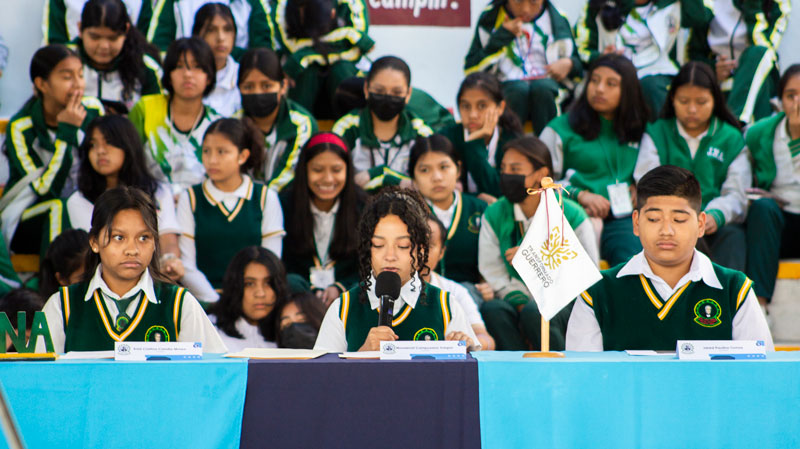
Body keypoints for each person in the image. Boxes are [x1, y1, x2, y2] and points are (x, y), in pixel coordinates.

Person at [566, 165, 773, 351]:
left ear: (701, 224)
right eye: (654, 219)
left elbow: (758, 374)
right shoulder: (597, 293)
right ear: (636, 223)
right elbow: (583, 378)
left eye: (679, 219)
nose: (666, 230)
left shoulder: (735, 290)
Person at [40, 186, 227, 353]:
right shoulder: (62, 306)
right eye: (119, 238)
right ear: (94, 242)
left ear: (155, 242)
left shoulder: (179, 304)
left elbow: (216, 372)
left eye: (144, 238)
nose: (132, 250)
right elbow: (37, 379)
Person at [314, 187, 481, 352]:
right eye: (378, 245)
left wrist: (465, 349)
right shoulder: (343, 308)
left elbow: (471, 373)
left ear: (421, 249)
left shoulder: (446, 306)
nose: (390, 256)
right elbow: (323, 376)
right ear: (367, 249)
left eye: (403, 246)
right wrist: (362, 355)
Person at [479, 136, 598, 350]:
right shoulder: (495, 213)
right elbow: (491, 269)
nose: (506, 175)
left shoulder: (571, 214)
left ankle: (563, 372)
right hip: (512, 296)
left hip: (564, 301)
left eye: (515, 169)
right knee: (493, 309)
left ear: (541, 174)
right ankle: (516, 373)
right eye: (504, 168)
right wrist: (518, 297)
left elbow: (586, 273)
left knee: (536, 311)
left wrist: (533, 260)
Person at [634, 61, 749, 271]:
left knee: (733, 236)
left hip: (713, 222)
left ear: (715, 100)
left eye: (701, 101)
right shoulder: (657, 133)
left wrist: (715, 215)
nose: (692, 109)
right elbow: (647, 181)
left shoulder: (731, 138)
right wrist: (682, 218)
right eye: (684, 101)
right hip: (668, 221)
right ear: (672, 99)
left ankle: (728, 301)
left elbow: (737, 193)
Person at [540, 53, 648, 266]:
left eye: (611, 84)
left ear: (628, 91)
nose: (599, 89)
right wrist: (579, 195)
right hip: (573, 213)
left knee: (630, 263)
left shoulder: (642, 130)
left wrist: (641, 187)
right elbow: (539, 184)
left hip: (623, 215)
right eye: (595, 80)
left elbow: (656, 172)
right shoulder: (560, 129)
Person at [1, 44, 104, 255]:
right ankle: (55, 284)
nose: (78, 85)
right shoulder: (21, 127)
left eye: (80, 75)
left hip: (83, 207)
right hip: (29, 215)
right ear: (42, 84)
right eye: (67, 77)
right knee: (60, 206)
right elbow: (45, 191)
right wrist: (66, 133)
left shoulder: (92, 109)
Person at [177, 118, 283, 303]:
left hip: (254, 301)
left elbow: (271, 262)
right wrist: (216, 303)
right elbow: (187, 265)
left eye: (222, 152)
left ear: (242, 156)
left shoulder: (265, 197)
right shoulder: (191, 198)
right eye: (206, 151)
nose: (212, 160)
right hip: (205, 300)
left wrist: (245, 301)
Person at [68, 115, 184, 281]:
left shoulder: (158, 191)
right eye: (93, 145)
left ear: (128, 145)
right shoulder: (79, 200)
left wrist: (170, 260)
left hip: (152, 276)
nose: (100, 151)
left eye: (108, 142)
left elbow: (167, 237)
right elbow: (97, 251)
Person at [464, 0, 582, 134]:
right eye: (518, 2)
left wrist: (569, 63)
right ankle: (509, 148)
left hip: (548, 87)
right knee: (517, 90)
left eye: (533, 2)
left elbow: (579, 67)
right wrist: (502, 36)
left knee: (543, 89)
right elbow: (471, 69)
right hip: (509, 88)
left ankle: (548, 150)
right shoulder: (491, 17)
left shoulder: (557, 18)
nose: (525, 9)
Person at [575, 0, 712, 115]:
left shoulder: (672, 4)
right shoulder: (598, 5)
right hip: (611, 71)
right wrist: (601, 57)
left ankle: (660, 142)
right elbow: (581, 50)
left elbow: (699, 17)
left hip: (658, 71)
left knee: (652, 88)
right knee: (602, 91)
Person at [279, 132, 365, 306]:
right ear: (305, 170)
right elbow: (281, 264)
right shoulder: (284, 205)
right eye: (317, 170)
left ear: (348, 170)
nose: (328, 179)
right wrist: (310, 290)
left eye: (336, 170)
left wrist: (340, 288)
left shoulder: (364, 207)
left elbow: (367, 266)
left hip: (348, 299)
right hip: (298, 300)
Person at [129, 37, 221, 196]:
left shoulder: (217, 124)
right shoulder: (145, 109)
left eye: (197, 67)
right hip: (149, 204)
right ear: (169, 75)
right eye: (179, 67)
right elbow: (128, 161)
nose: (187, 74)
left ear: (209, 77)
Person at [744, 64, 800, 308]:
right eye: (791, 96)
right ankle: (759, 305)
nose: (798, 102)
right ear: (780, 101)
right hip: (781, 222)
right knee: (763, 209)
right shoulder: (760, 133)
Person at [333, 56, 433, 191]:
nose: (387, 98)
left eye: (396, 92)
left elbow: (428, 184)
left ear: (408, 94)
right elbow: (333, 179)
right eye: (379, 91)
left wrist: (382, 175)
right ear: (366, 89)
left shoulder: (422, 133)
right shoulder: (346, 129)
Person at [408, 135, 489, 292]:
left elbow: (492, 261)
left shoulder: (479, 209)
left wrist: (488, 285)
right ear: (414, 179)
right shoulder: (407, 215)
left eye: (444, 167)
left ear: (458, 169)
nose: (437, 177)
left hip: (473, 292)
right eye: (425, 170)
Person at [688, 0, 789, 124]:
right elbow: (694, 54)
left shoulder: (779, 4)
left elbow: (764, 47)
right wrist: (713, 69)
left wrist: (753, 6)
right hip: (720, 79)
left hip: (761, 76)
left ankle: (733, 123)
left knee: (759, 53)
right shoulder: (711, 3)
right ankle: (734, 125)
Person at [273, 0, 373, 117]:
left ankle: (350, 128)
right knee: (303, 70)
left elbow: (354, 50)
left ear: (333, 14)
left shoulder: (352, 3)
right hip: (305, 71)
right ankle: (298, 128)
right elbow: (291, 46)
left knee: (341, 69)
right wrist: (347, 35)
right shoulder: (282, 3)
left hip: (343, 67)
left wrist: (305, 55)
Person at [237, 47, 317, 191]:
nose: (257, 93)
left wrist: (259, 200)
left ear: (283, 86)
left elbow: (289, 175)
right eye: (248, 87)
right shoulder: (233, 123)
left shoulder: (301, 124)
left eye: (266, 86)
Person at [439, 72, 523, 201]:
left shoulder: (513, 141)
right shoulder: (445, 138)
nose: (472, 115)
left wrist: (475, 145)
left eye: (482, 106)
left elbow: (503, 191)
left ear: (500, 108)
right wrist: (475, 199)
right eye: (466, 106)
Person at [76, 0, 163, 114]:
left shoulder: (146, 68)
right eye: (95, 37)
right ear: (80, 29)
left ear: (126, 30)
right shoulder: (63, 60)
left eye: (113, 38)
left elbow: (154, 119)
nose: (104, 46)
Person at [426, 215, 496, 350]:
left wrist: (470, 342)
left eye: (429, 245)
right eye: (413, 243)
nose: (421, 251)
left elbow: (486, 339)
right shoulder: (380, 288)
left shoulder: (455, 291)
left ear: (442, 252)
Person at [208, 246, 289, 352]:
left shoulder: (289, 327)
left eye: (268, 283)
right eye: (249, 284)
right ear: (234, 286)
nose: (260, 293)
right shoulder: (210, 330)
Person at [147, 0, 274, 53]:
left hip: (238, 78)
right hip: (189, 76)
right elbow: (158, 46)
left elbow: (264, 48)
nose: (220, 37)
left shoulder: (252, 3)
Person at [193, 3, 240, 116]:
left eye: (227, 29)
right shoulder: (186, 75)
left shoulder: (242, 74)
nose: (221, 38)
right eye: (211, 30)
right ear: (197, 34)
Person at [43, 0, 152, 44]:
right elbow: (55, 40)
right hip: (76, 68)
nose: (104, 46)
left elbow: (145, 38)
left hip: (128, 68)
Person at [36, 229, 89, 299]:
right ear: (62, 279)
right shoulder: (52, 307)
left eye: (99, 272)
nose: (95, 282)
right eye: (85, 278)